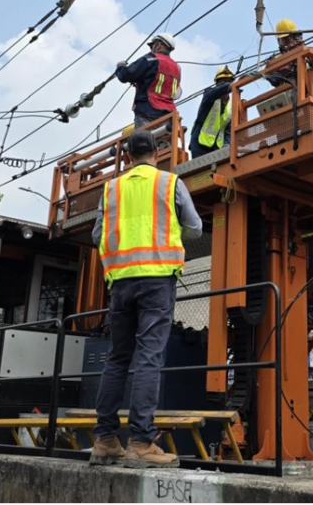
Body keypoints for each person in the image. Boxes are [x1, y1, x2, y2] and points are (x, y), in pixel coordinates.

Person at [89, 129, 203, 469]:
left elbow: (98, 235)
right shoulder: (170, 183)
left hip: (120, 282)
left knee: (117, 358)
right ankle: (140, 442)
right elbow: (195, 228)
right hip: (156, 280)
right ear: (157, 151)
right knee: (149, 357)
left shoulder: (110, 189)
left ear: (127, 157)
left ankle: (105, 440)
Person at [116, 33, 182, 128]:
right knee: (164, 141)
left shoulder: (150, 59)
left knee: (144, 141)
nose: (151, 49)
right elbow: (176, 93)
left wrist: (120, 67)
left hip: (147, 111)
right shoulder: (177, 68)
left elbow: (126, 75)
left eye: (152, 46)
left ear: (158, 45)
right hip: (169, 114)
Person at [188, 66, 234, 158]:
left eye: (228, 81)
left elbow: (228, 131)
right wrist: (229, 86)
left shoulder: (230, 107)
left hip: (216, 148)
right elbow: (214, 93)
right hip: (199, 144)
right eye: (222, 81)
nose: (224, 83)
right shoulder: (209, 95)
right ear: (216, 83)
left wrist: (226, 146)